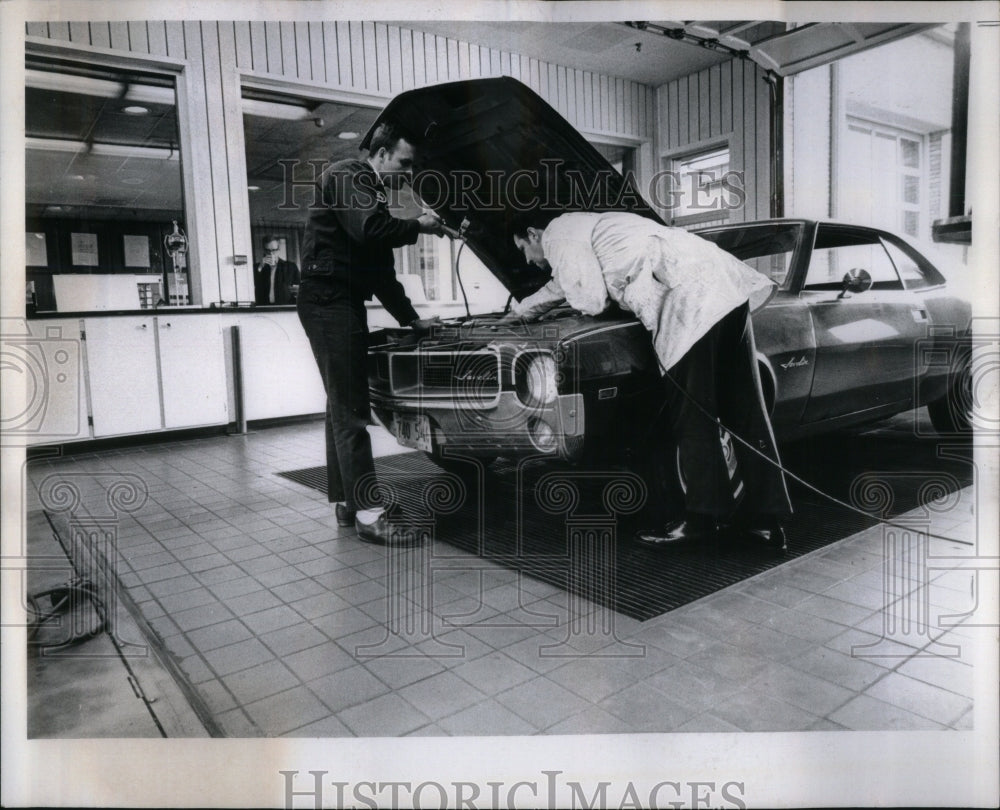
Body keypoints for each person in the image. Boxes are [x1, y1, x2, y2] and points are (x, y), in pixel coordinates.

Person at [506, 210, 792, 552]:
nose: (528, 259)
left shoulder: (557, 235)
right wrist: (523, 310)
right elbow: (561, 286)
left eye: (522, 248)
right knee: (745, 410)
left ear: (533, 233)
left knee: (693, 414)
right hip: (725, 283)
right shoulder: (595, 225)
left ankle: (704, 520)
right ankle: (767, 523)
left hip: (687, 296)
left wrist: (574, 305)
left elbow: (592, 299)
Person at [297, 121, 444, 545]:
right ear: (380, 154)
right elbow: (370, 230)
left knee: (341, 405)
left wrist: (411, 319)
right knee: (351, 411)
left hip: (341, 304)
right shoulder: (349, 176)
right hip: (327, 302)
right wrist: (421, 225)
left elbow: (381, 274)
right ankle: (369, 514)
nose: (408, 172)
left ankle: (347, 502)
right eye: (405, 162)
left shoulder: (373, 193)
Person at [253, 235, 300, 305]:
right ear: (263, 250)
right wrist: (260, 267)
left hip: (285, 307)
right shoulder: (257, 267)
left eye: (274, 250)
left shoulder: (290, 267)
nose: (271, 253)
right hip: (263, 307)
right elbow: (251, 286)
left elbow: (300, 286)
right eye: (267, 250)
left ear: (279, 249)